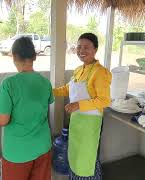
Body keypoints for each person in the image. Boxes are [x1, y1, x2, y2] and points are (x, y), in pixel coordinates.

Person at [0, 37, 54, 180]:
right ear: (34, 56)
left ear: (14, 56)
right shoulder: (45, 82)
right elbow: (47, 103)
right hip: (43, 146)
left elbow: (2, 120)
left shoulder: (9, 84)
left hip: (18, 152)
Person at [53, 33, 112, 180]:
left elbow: (104, 100)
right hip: (77, 123)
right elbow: (68, 88)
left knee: (87, 160)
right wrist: (50, 91)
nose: (81, 51)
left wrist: (78, 105)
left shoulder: (100, 72)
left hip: (90, 125)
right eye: (79, 47)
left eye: (86, 47)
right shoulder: (79, 69)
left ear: (95, 49)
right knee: (76, 158)